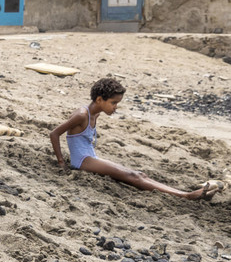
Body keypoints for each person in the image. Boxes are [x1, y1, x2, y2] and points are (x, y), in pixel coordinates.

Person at [50, 76, 222, 199]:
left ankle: (182, 193)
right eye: (113, 103)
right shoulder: (82, 114)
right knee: (134, 176)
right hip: (82, 161)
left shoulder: (96, 114)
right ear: (100, 99)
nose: (116, 107)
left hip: (90, 158)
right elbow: (54, 133)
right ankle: (186, 195)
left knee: (140, 175)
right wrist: (61, 163)